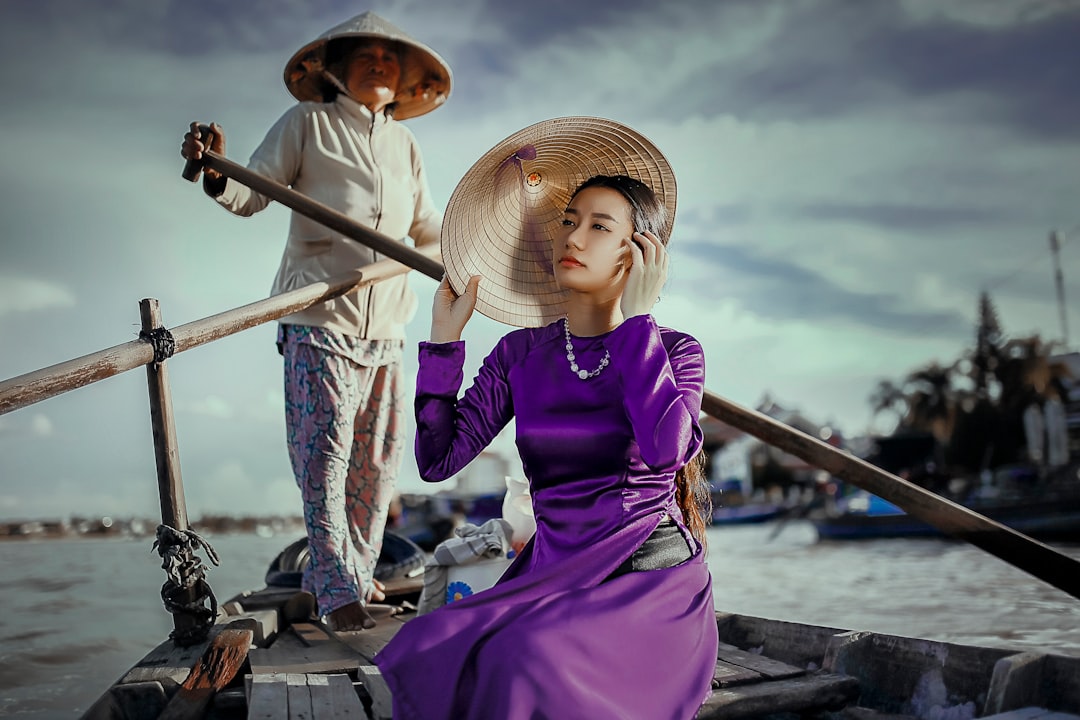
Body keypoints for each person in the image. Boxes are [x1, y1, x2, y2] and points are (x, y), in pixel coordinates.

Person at [374, 118, 717, 719]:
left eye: (599, 226)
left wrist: (636, 327)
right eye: (569, 221)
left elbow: (667, 450)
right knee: (427, 646)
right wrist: (443, 345)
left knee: (523, 660)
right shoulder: (519, 355)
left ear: (639, 255)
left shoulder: (677, 351)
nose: (573, 237)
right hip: (551, 574)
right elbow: (437, 460)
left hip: (645, 583)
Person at [179, 11, 451, 631]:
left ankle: (358, 571)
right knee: (323, 455)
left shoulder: (405, 145)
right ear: (333, 70)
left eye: (391, 57)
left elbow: (428, 231)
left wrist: (471, 241)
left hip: (388, 328)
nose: (382, 64)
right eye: (367, 56)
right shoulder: (308, 124)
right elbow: (250, 193)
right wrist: (216, 170)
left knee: (377, 466)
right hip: (319, 314)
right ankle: (333, 589)